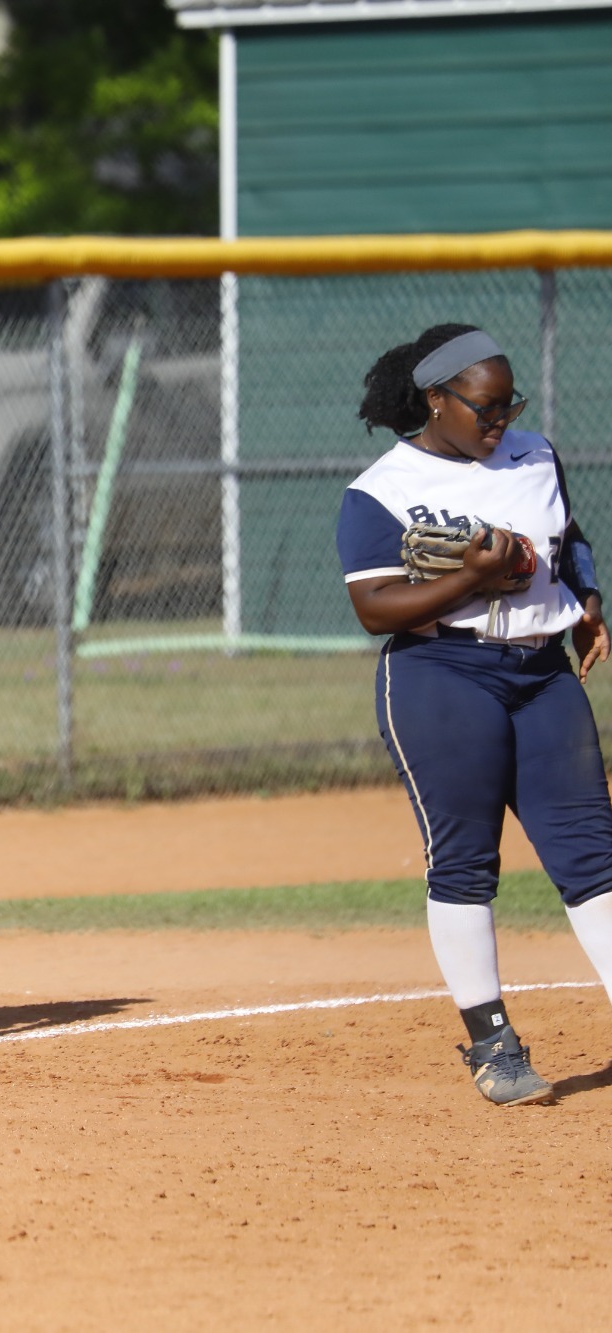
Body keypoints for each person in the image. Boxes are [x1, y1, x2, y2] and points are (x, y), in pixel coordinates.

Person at [340, 322, 612, 1107]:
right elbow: (375, 607)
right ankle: (493, 1044)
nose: (500, 420)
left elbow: (569, 539)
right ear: (436, 399)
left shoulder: (535, 454)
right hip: (442, 675)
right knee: (465, 862)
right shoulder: (381, 489)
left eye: (507, 405)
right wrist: (470, 579)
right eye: (484, 408)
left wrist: (587, 601)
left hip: (543, 675)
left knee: (594, 856)